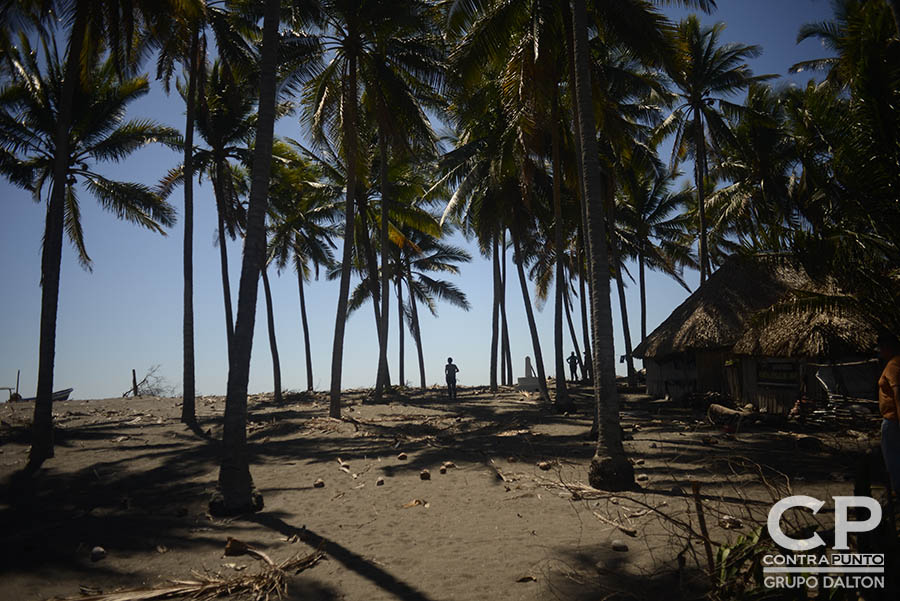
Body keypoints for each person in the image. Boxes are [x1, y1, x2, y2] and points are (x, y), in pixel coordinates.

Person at [878, 330, 900, 493]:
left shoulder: (894, 365)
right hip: (893, 419)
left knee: (893, 462)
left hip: (893, 421)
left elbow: (897, 392)